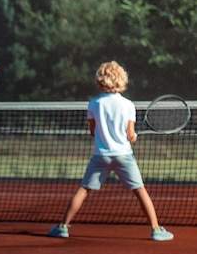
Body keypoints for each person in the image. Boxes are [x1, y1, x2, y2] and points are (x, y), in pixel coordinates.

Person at [48, 61, 174, 241]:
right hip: (124, 155)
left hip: (101, 156)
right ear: (122, 79)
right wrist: (133, 137)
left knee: (84, 190)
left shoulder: (93, 104)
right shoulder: (129, 105)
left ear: (100, 80)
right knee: (140, 191)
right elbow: (130, 135)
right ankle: (156, 229)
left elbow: (92, 132)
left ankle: (62, 227)